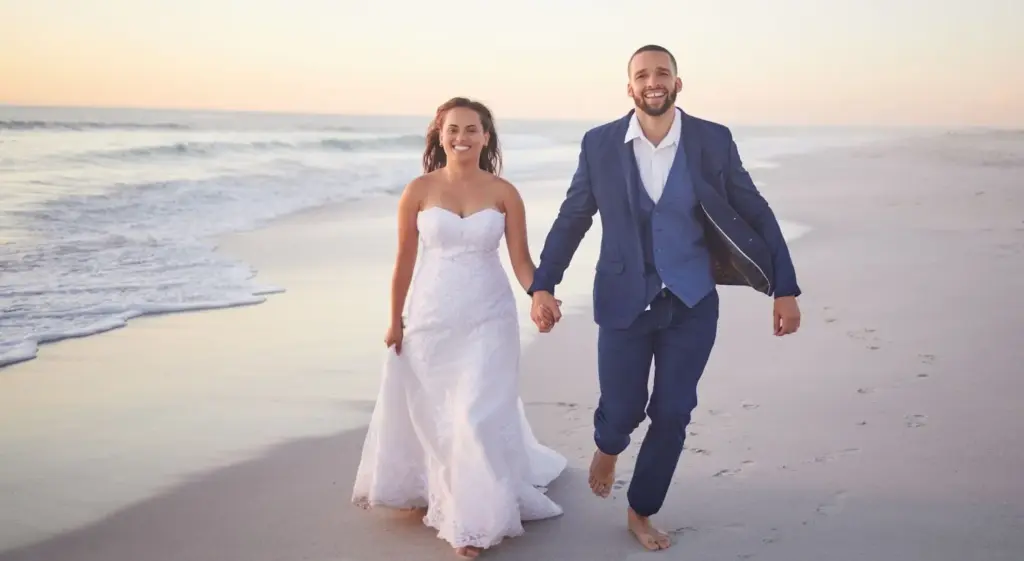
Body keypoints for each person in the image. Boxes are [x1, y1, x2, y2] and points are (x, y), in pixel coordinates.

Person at [527, 45, 802, 551]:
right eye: (642, 75)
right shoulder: (599, 144)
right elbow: (574, 217)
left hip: (691, 300)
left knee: (673, 410)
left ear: (678, 83)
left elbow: (755, 208)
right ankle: (608, 447)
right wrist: (544, 283)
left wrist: (783, 287)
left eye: (662, 73)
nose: (653, 82)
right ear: (629, 87)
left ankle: (641, 509)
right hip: (622, 297)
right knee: (623, 408)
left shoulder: (712, 141)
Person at [351, 97, 566, 558]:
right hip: (431, 319)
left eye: (472, 129)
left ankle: (469, 523)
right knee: (440, 417)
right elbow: (403, 262)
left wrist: (540, 294)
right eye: (453, 129)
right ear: (439, 134)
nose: (462, 137)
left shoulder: (505, 192)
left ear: (486, 137)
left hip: (490, 316)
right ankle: (450, 489)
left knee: (473, 415)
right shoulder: (418, 190)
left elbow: (522, 262)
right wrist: (394, 320)